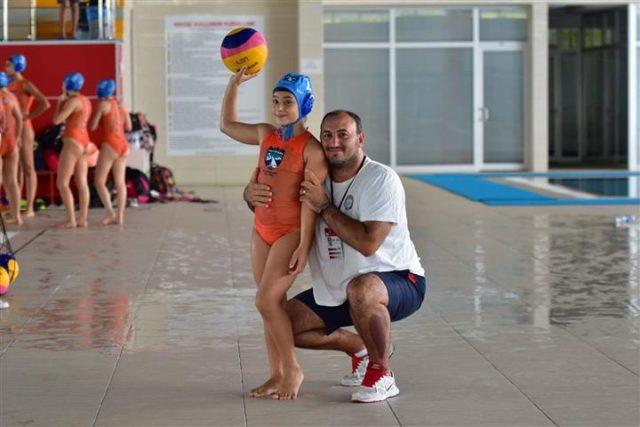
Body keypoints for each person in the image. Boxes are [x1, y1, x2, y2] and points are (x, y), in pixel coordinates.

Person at [244, 110, 426, 403]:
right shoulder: (317, 176)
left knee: (362, 289)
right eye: (327, 135)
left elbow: (368, 244)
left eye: (344, 134)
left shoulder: (381, 179)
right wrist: (250, 195)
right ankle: (359, 348)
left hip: (399, 280)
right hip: (339, 289)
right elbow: (279, 212)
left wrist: (325, 207)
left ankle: (382, 373)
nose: (334, 142)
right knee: (281, 322)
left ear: (361, 139)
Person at [220, 68, 327, 400]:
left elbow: (311, 202)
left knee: (265, 300)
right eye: (276, 101)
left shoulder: (312, 149)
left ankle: (293, 369)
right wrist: (233, 84)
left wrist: (304, 244)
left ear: (304, 104)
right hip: (261, 229)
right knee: (273, 304)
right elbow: (227, 125)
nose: (280, 108)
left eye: (287, 102)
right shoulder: (267, 133)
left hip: (290, 232)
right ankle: (277, 373)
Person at [5, 54, 51, 218]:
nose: (5, 67)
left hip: (24, 128)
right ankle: (16, 208)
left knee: (28, 167)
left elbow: (45, 103)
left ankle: (30, 207)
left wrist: (28, 116)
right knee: (16, 168)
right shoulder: (9, 85)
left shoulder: (26, 84)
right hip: (11, 129)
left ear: (17, 66)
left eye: (8, 65)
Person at [89, 79, 132, 226]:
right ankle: (120, 216)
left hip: (110, 144)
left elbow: (92, 126)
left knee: (99, 181)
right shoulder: (121, 106)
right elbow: (129, 127)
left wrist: (100, 117)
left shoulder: (102, 105)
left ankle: (110, 212)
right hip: (124, 146)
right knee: (120, 183)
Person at [52, 72, 91, 229]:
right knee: (81, 182)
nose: (61, 86)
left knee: (62, 182)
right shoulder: (86, 100)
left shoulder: (73, 101)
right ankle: (83, 218)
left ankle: (71, 220)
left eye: (63, 83)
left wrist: (59, 103)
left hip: (73, 142)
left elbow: (56, 120)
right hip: (85, 142)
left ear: (69, 85)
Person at [0, 72, 24, 226]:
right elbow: (20, 119)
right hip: (12, 141)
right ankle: (17, 216)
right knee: (12, 181)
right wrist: (18, 137)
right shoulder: (12, 97)